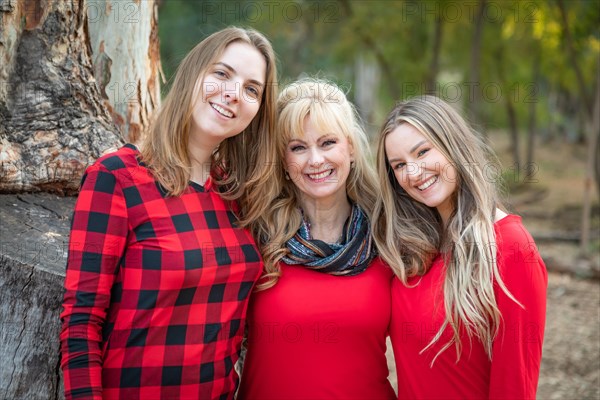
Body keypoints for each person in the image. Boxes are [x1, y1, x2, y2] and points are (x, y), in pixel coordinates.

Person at [59, 27, 278, 400]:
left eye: (252, 89)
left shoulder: (237, 194)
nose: (233, 94)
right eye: (222, 74)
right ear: (193, 72)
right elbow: (81, 323)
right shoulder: (118, 177)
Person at [372, 95, 548, 400]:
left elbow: (514, 386)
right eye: (399, 165)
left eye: (423, 151)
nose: (413, 173)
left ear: (453, 146)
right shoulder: (410, 251)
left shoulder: (511, 247)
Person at [238, 78, 396, 399]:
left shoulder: (388, 236)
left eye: (327, 143)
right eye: (298, 147)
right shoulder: (255, 234)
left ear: (350, 148)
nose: (315, 161)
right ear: (284, 161)